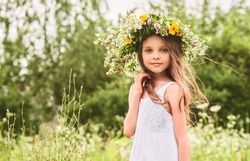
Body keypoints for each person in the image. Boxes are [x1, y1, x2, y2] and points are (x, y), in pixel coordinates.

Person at [95, 13, 208, 161]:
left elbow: (182, 140)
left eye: (163, 50)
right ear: (141, 55)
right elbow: (128, 132)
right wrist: (136, 93)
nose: (156, 56)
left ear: (172, 54)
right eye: (149, 50)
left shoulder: (173, 90)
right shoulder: (135, 90)